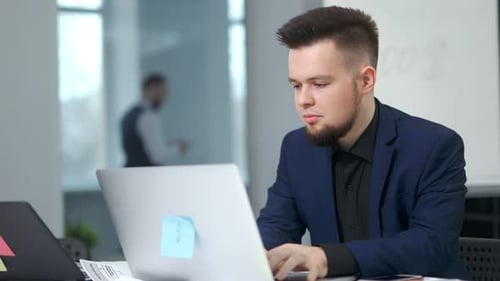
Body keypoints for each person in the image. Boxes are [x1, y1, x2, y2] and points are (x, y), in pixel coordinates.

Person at [256, 6, 471, 281]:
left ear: (366, 80)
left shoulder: (435, 146)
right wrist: (256, 252)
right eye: (296, 85)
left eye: (319, 84)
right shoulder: (296, 148)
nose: (303, 100)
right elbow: (277, 224)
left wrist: (326, 258)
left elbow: (430, 245)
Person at [121, 73, 188, 167]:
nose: (165, 96)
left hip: (130, 172)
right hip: (146, 175)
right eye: (163, 90)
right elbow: (157, 155)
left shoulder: (127, 115)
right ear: (152, 89)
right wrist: (178, 148)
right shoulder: (148, 116)